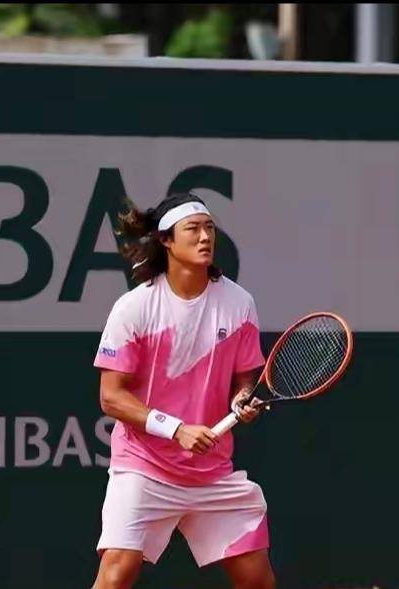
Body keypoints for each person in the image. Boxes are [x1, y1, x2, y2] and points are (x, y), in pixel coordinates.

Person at [90, 192, 275, 589]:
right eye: (193, 229)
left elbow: (244, 379)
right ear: (166, 241)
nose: (205, 237)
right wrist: (176, 429)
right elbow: (111, 397)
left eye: (209, 228)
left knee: (256, 578)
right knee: (118, 571)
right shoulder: (134, 308)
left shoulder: (239, 303)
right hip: (144, 466)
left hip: (212, 473)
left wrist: (241, 399)